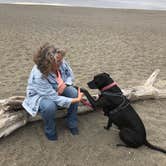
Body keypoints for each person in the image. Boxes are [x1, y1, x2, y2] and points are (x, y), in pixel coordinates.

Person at [22, 43, 84, 141]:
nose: (62, 63)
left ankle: (72, 123)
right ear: (48, 63)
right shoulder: (39, 75)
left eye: (61, 59)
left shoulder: (61, 61)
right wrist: (77, 99)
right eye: (58, 61)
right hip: (40, 95)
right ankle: (50, 130)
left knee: (73, 92)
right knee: (50, 106)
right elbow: (54, 98)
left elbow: (70, 76)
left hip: (57, 88)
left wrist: (65, 84)